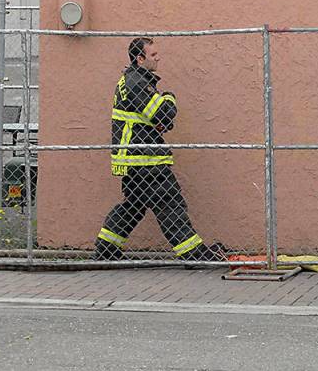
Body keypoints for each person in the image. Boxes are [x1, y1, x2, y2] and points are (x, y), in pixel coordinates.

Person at [94, 37, 223, 262]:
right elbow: (162, 113)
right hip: (145, 159)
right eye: (153, 55)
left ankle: (107, 249)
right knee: (170, 202)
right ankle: (193, 254)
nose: (158, 58)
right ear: (139, 58)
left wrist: (161, 116)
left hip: (135, 159)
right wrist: (169, 98)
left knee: (134, 206)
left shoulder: (133, 80)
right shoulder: (136, 82)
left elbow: (154, 119)